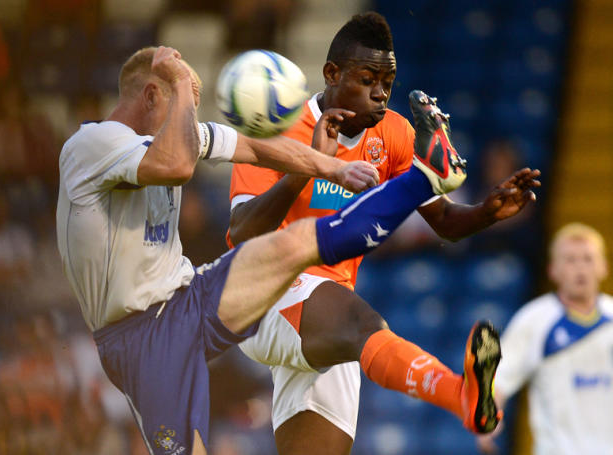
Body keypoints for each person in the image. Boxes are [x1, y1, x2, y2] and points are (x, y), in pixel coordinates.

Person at [56, 44, 484, 455]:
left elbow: (256, 148)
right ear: (153, 94)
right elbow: (179, 165)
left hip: (189, 298)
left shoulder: (167, 140)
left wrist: (332, 166)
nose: (189, 118)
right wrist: (183, 86)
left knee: (292, 243)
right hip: (141, 338)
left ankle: (425, 179)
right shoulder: (93, 145)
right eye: (181, 104)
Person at [228, 12, 540, 455]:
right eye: (368, 78)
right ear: (332, 74)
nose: (379, 93)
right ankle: (460, 396)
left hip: (325, 311)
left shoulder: (393, 132)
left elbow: (446, 225)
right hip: (261, 293)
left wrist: (488, 212)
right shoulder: (277, 125)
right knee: (365, 323)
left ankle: (462, 395)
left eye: (388, 82)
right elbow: (240, 233)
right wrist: (307, 165)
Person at [477, 223, 613, 455]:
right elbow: (498, 378)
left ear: (603, 267)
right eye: (570, 260)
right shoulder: (534, 320)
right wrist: (488, 417)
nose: (580, 268)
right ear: (553, 270)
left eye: (588, 259)